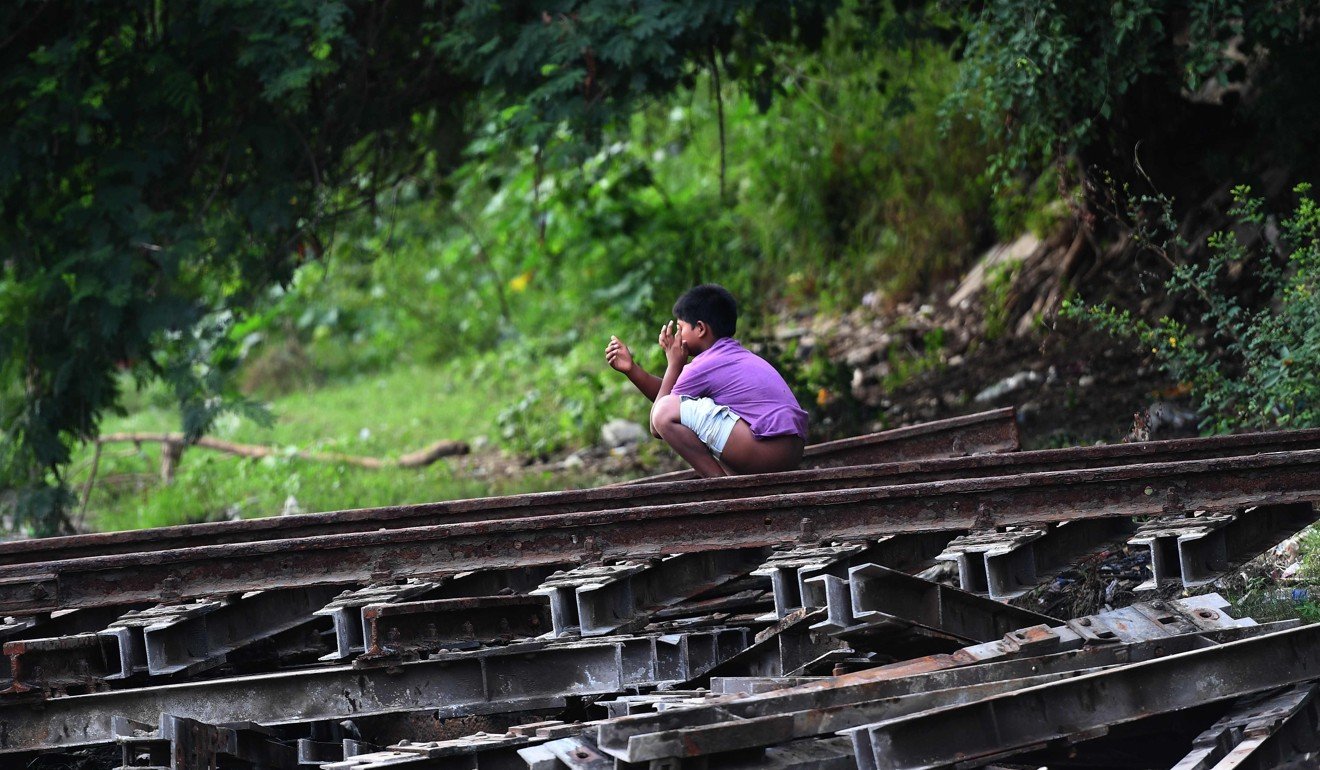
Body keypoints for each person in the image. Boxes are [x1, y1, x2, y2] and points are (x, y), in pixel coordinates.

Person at [605, 284, 808, 477]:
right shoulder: (731, 356)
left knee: (664, 411)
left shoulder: (705, 364)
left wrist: (674, 364)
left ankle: (720, 486)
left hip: (765, 450)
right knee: (671, 407)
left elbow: (658, 420)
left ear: (700, 328)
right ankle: (728, 482)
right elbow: (674, 398)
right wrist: (632, 370)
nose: (677, 336)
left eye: (681, 328)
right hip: (789, 452)